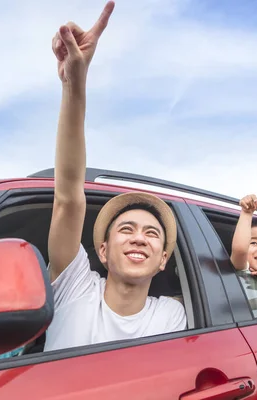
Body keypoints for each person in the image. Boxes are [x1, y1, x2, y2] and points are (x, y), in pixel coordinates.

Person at [43, 1, 186, 352]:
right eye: (127, 229)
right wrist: (74, 84)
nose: (140, 239)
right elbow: (68, 198)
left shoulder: (170, 315)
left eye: (153, 234)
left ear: (163, 259)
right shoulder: (76, 286)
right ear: (103, 252)